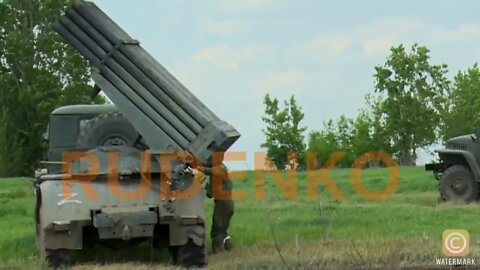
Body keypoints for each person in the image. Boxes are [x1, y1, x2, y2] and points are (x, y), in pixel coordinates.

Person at [197, 162, 234, 254]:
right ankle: (228, 247)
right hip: (225, 204)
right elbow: (210, 194)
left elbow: (211, 171)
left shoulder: (221, 169)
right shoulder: (215, 176)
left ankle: (218, 252)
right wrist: (206, 186)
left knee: (217, 228)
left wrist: (198, 168)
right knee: (222, 228)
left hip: (223, 204)